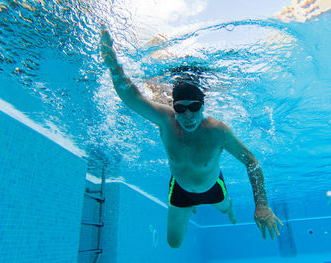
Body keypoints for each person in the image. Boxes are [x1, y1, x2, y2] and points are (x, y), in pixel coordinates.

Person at [100, 27, 283, 248]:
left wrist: (261, 204)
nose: (187, 115)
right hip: (180, 189)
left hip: (213, 187)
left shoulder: (218, 131)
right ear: (173, 107)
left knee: (225, 208)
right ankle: (195, 206)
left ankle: (229, 208)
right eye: (180, 108)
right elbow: (133, 97)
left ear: (202, 106)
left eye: (194, 107)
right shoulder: (166, 120)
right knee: (174, 243)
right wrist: (113, 65)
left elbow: (251, 161)